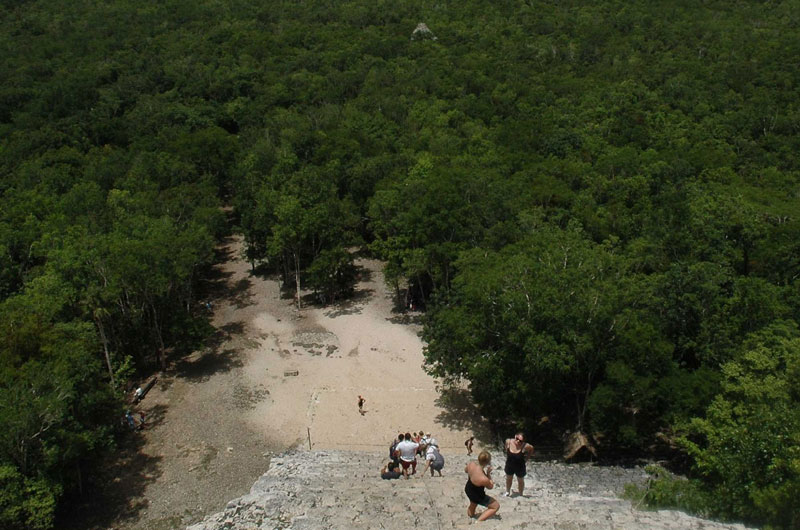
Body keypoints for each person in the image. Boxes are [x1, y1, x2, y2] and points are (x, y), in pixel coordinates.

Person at [464, 451, 499, 522]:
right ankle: (479, 521)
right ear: (488, 462)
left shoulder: (471, 464)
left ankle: (470, 517)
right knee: (495, 506)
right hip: (478, 495)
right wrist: (488, 474)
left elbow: (466, 470)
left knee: (473, 503)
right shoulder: (483, 478)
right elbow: (490, 486)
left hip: (468, 488)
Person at [503, 432, 534, 497]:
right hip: (509, 464)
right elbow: (505, 446)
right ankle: (507, 492)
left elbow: (531, 448)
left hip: (520, 466)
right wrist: (507, 451)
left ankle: (521, 494)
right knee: (508, 479)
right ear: (515, 436)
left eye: (520, 441)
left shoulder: (525, 446)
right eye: (517, 439)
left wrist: (527, 458)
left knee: (520, 480)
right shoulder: (508, 441)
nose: (517, 441)